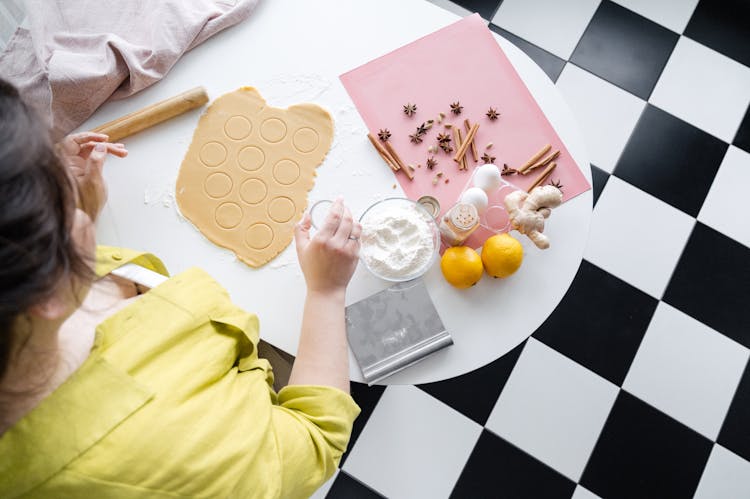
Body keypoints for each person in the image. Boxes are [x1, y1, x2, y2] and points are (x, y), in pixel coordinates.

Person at [0, 78, 362, 498]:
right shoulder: (177, 460)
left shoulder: (18, 311)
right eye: (61, 219)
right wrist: (326, 292)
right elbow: (316, 439)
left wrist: (71, 211)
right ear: (45, 291)